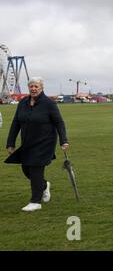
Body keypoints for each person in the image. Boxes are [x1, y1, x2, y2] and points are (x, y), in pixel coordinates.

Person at [5, 77, 69, 212]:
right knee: (26, 169)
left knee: (35, 168)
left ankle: (35, 201)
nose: (33, 89)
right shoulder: (23, 103)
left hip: (45, 142)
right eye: (31, 86)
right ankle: (44, 185)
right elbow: (16, 122)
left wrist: (64, 140)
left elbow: (59, 122)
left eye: (36, 86)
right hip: (28, 142)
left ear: (41, 88)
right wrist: (10, 143)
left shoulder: (49, 103)